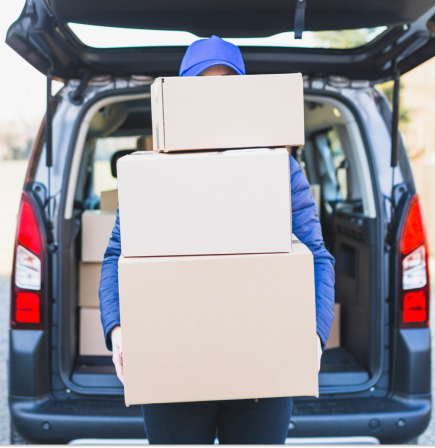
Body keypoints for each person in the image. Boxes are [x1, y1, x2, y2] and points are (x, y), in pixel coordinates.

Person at [97, 35, 336, 445]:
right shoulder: (154, 172)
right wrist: (117, 329)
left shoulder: (278, 168)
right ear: (183, 95)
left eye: (226, 85)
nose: (214, 99)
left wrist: (313, 334)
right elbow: (118, 255)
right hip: (175, 369)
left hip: (261, 371)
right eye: (203, 87)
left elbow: (316, 255)